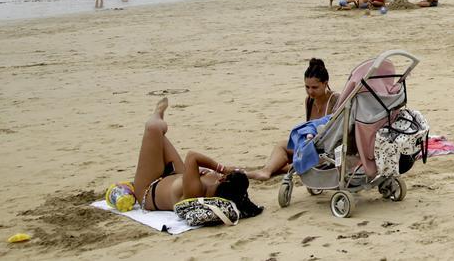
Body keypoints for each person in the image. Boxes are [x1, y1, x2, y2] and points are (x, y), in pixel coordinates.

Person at [130, 97, 261, 217]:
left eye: (223, 176)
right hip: (176, 175)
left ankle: (158, 114)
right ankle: (158, 124)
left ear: (223, 180)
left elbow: (192, 156)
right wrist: (198, 174)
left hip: (148, 188)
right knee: (156, 138)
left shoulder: (196, 193)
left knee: (153, 129)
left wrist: (222, 168)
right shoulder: (220, 188)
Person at [248, 58, 340, 181]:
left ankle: (276, 169)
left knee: (304, 161)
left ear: (325, 83)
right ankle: (266, 171)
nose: (310, 91)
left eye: (314, 87)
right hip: (311, 144)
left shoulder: (335, 100)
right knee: (282, 145)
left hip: (328, 152)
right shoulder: (309, 101)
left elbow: (337, 133)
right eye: (307, 87)